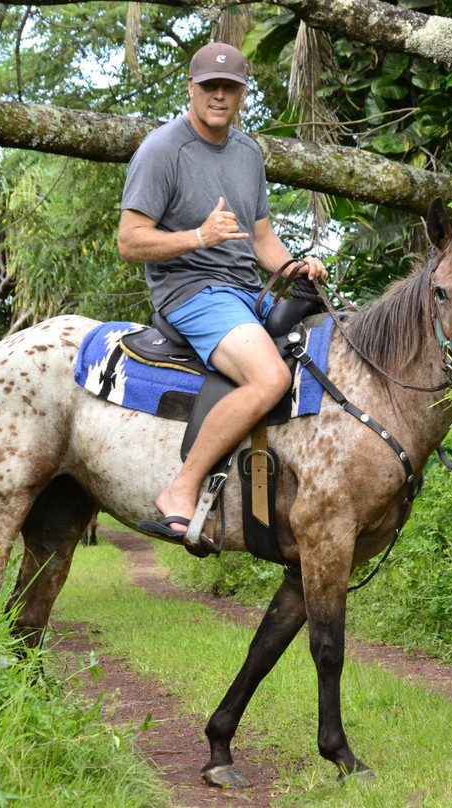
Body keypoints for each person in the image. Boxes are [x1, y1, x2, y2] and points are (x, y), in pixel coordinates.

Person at [118, 41, 327, 543]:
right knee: (270, 377)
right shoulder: (162, 150)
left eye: (228, 87)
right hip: (190, 292)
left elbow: (261, 239)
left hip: (247, 291)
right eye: (209, 86)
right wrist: (198, 237)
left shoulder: (248, 152)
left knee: (329, 337)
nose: (218, 95)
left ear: (241, 94)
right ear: (190, 88)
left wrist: (297, 267)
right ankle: (181, 490)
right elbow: (129, 241)